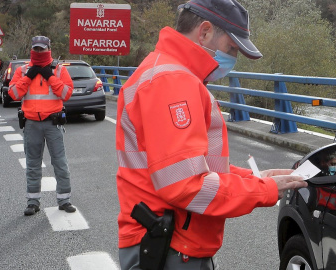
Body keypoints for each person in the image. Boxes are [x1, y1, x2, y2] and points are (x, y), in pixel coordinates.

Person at [115, 0, 308, 269]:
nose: (233, 59)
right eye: (231, 48)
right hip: (167, 246)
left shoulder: (165, 71)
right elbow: (185, 184)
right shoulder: (173, 82)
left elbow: (192, 165)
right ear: (205, 31)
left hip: (164, 240)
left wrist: (254, 177)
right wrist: (262, 190)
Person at [8, 36, 76, 216]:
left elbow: (66, 93)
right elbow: (14, 93)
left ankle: (64, 200)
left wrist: (50, 76)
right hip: (31, 124)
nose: (39, 52)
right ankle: (33, 202)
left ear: (48, 49)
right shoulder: (23, 71)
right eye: (36, 49)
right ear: (32, 49)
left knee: (60, 163)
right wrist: (29, 77)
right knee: (32, 164)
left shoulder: (59, 70)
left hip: (53, 123)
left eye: (42, 49)